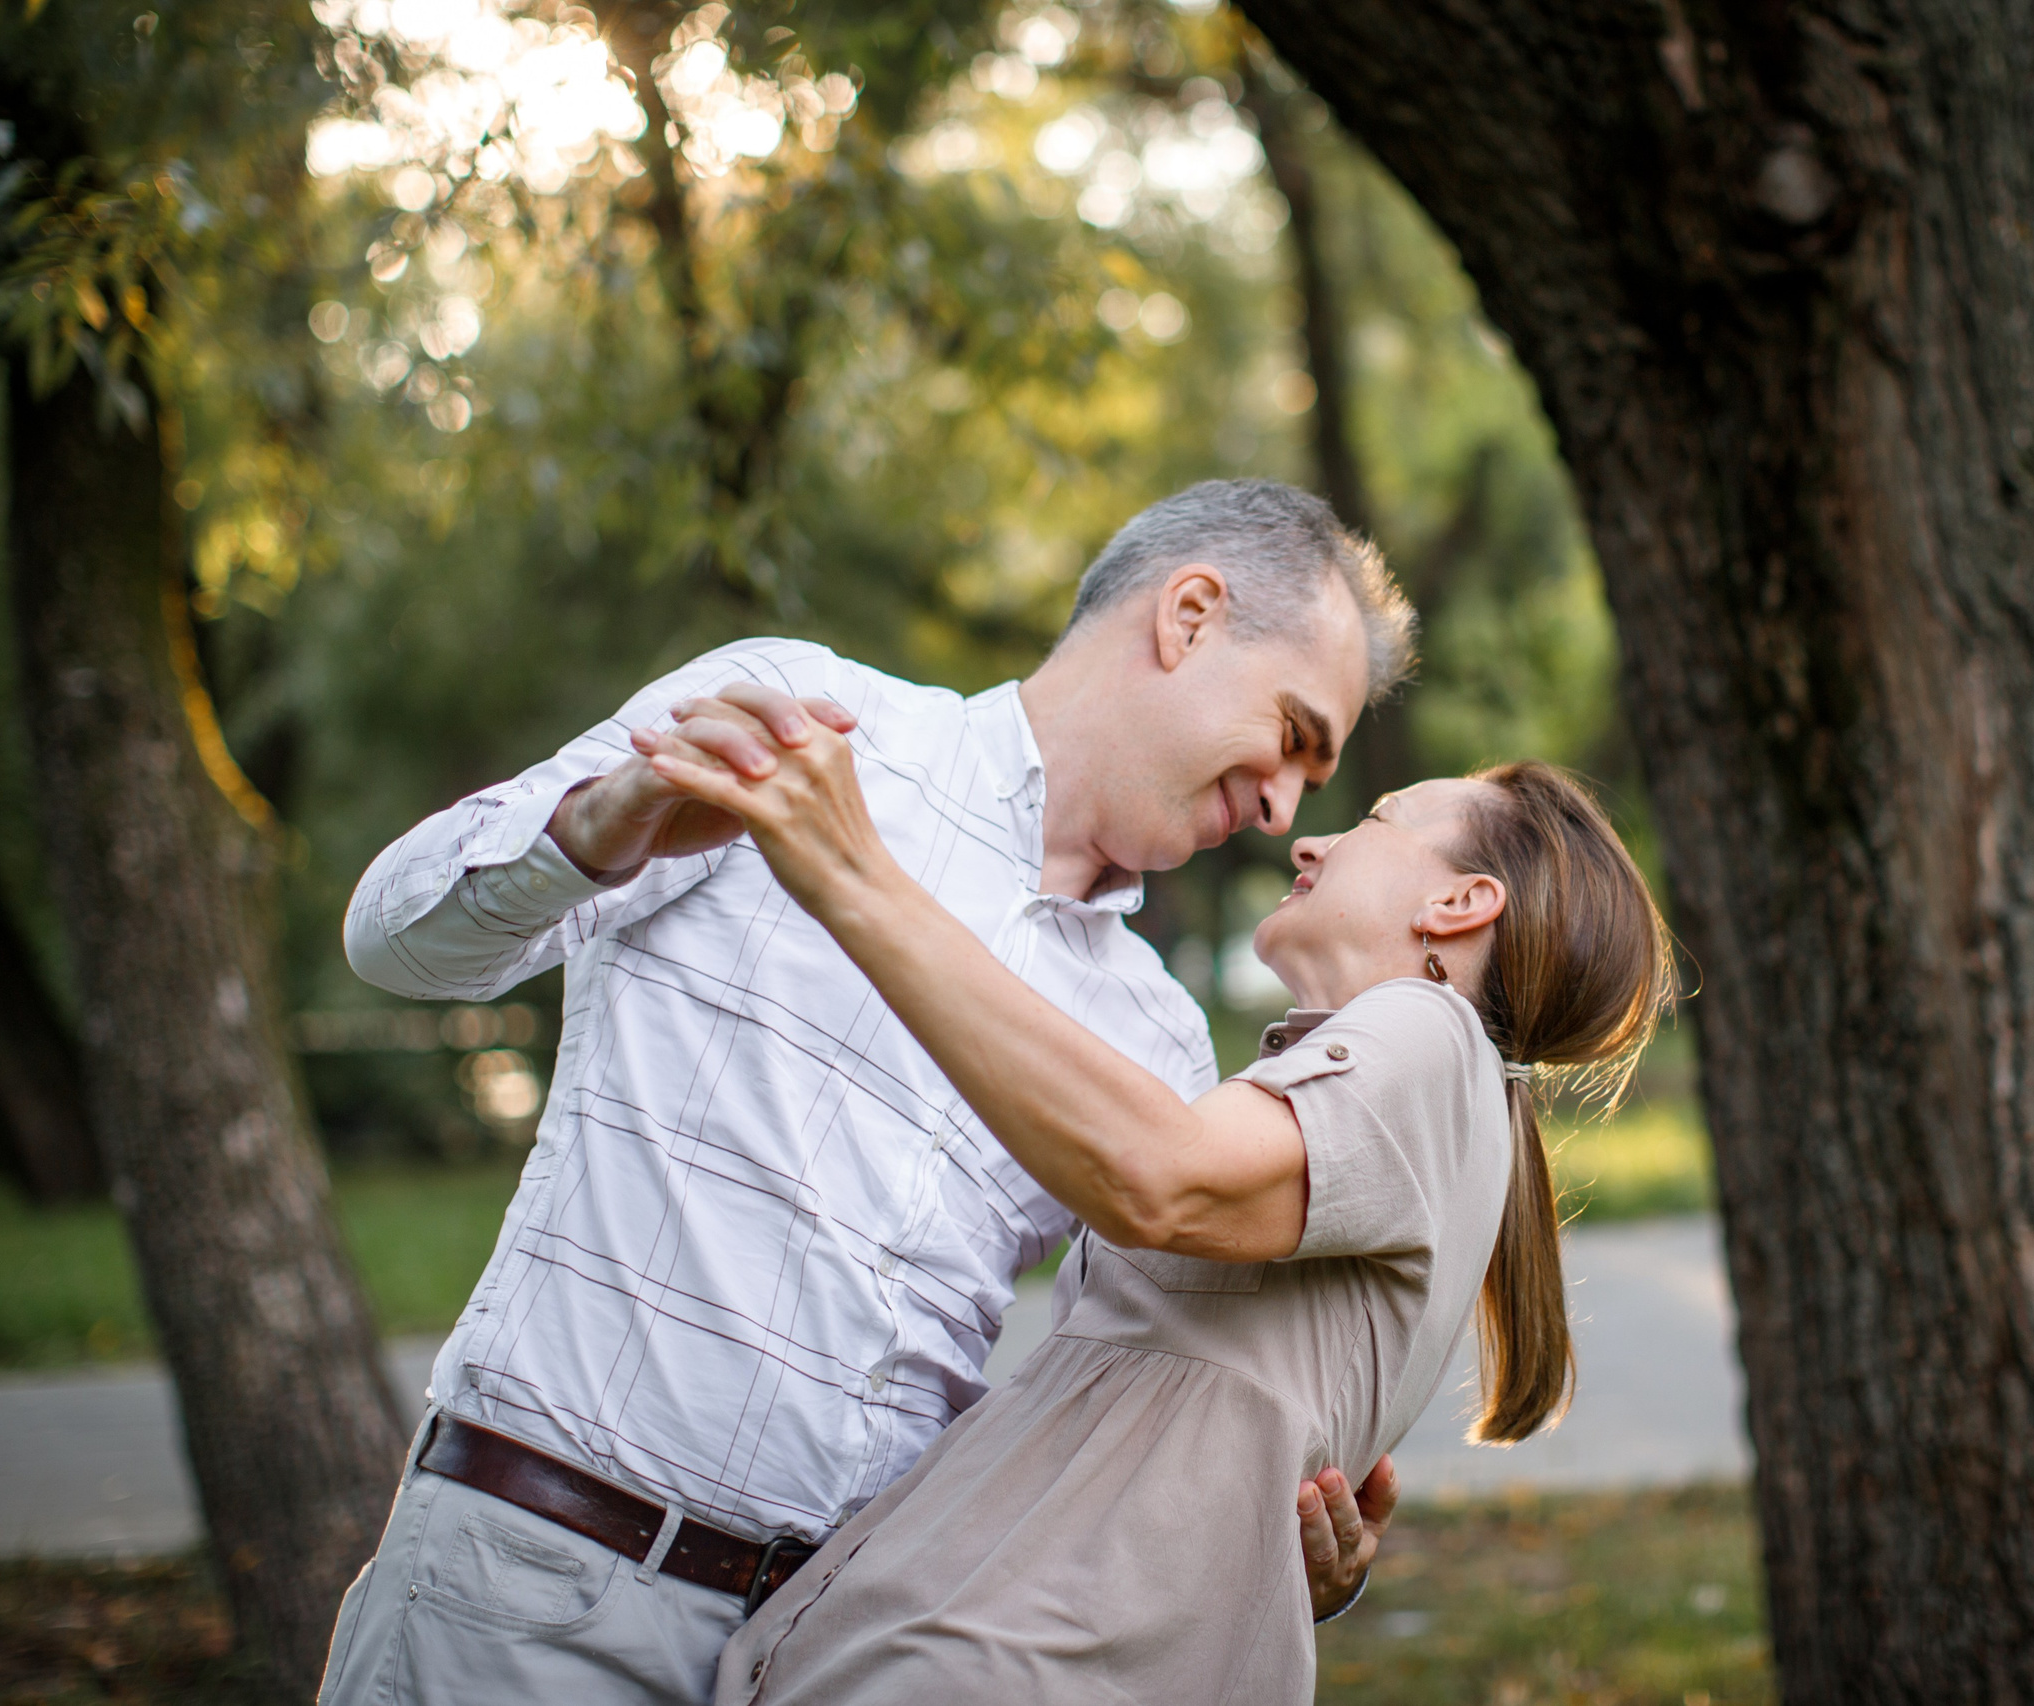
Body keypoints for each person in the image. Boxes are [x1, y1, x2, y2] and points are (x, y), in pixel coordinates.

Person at [320, 481, 1415, 1706]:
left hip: (838, 1655)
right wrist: (602, 823)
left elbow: (1132, 1404)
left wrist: (1280, 1536)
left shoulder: (1156, 1037)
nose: (1283, 806)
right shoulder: (801, 726)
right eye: (1294, 735)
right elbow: (393, 938)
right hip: (529, 1594)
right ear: (1191, 614)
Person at [675, 731, 1673, 1704]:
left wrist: (852, 874)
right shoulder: (1423, 1099)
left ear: (1459, 902)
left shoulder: (1427, 1034)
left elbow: (1157, 1174)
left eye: (1373, 819)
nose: (1310, 840)